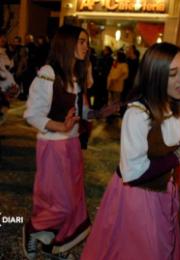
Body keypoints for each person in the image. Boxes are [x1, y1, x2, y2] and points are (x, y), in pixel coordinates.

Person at [80, 42, 180, 260]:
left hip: (162, 192)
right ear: (156, 76)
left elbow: (171, 139)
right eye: (173, 73)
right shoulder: (138, 114)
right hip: (140, 198)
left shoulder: (173, 104)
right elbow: (133, 173)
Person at [22, 25, 92, 260]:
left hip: (72, 145)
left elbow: (80, 114)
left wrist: (99, 114)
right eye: (81, 41)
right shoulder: (49, 74)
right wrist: (61, 126)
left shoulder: (76, 76)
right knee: (59, 201)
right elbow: (32, 114)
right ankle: (32, 229)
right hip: (53, 145)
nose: (86, 46)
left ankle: (58, 246)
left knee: (74, 201)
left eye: (86, 42)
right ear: (67, 43)